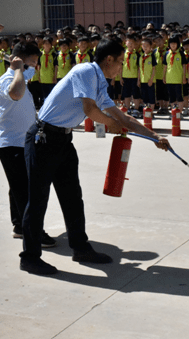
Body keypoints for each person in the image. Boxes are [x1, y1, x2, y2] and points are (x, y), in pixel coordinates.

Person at [19, 39, 171, 275]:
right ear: (108, 59)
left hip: (63, 141)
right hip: (43, 139)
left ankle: (80, 248)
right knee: (38, 200)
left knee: (72, 197)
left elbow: (123, 118)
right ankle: (29, 257)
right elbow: (90, 110)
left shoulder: (99, 84)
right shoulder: (86, 71)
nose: (121, 66)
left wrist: (154, 137)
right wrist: (110, 124)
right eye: (120, 61)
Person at [0, 42, 55, 246]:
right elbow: (16, 94)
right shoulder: (8, 79)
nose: (35, 67)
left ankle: (20, 226)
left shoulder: (20, 79)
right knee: (26, 190)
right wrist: (18, 70)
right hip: (11, 143)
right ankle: (33, 232)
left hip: (24, 142)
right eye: (32, 62)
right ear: (19, 60)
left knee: (18, 187)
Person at [163, 37, 187, 113]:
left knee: (179, 96)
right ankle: (174, 111)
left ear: (178, 44)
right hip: (169, 78)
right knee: (172, 97)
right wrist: (164, 77)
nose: (173, 45)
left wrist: (184, 77)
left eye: (175, 43)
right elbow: (165, 66)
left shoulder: (181, 53)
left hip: (178, 79)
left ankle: (179, 112)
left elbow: (184, 66)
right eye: (171, 43)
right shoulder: (167, 53)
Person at [121, 33, 141, 116]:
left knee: (135, 94)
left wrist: (139, 79)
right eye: (128, 42)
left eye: (132, 43)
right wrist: (121, 77)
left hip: (134, 77)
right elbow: (120, 66)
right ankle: (128, 108)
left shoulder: (137, 55)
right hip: (125, 77)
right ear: (125, 43)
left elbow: (139, 68)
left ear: (135, 44)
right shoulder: (123, 54)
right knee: (126, 94)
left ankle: (136, 109)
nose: (130, 44)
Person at [137, 37, 157, 110]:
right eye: (143, 46)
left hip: (150, 80)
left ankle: (151, 111)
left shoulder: (152, 56)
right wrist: (138, 80)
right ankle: (146, 110)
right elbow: (139, 69)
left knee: (151, 96)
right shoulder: (141, 57)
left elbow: (154, 69)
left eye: (147, 46)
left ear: (150, 47)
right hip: (143, 80)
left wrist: (151, 79)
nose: (145, 47)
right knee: (144, 96)